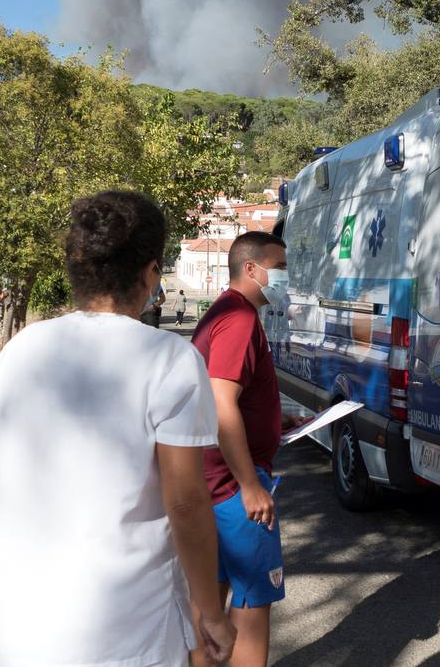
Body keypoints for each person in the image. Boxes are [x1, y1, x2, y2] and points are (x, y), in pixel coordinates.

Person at [0, 190, 233, 667]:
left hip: (12, 636)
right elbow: (184, 502)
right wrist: (211, 613)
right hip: (126, 639)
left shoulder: (26, 347)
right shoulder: (170, 360)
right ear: (149, 273)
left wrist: (4, 563)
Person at [190, 231, 301, 667]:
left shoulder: (222, 312)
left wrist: (274, 420)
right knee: (253, 604)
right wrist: (250, 484)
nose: (286, 277)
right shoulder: (239, 319)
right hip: (233, 491)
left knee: (210, 603)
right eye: (281, 267)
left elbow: (229, 395)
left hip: (208, 484)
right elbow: (221, 402)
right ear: (252, 269)